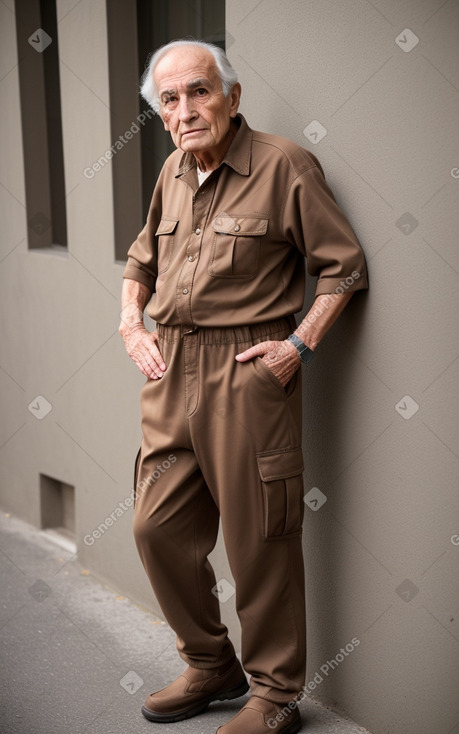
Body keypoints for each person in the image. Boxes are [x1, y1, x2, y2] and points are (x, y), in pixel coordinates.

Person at [119, 39, 368, 734]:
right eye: (169, 100)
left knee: (260, 538)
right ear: (160, 116)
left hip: (244, 375)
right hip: (170, 375)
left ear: (232, 96)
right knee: (154, 527)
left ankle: (276, 693)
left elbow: (343, 267)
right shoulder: (171, 170)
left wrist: (298, 345)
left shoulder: (284, 164)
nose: (185, 109)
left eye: (198, 91)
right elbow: (141, 258)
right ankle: (209, 664)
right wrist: (129, 326)